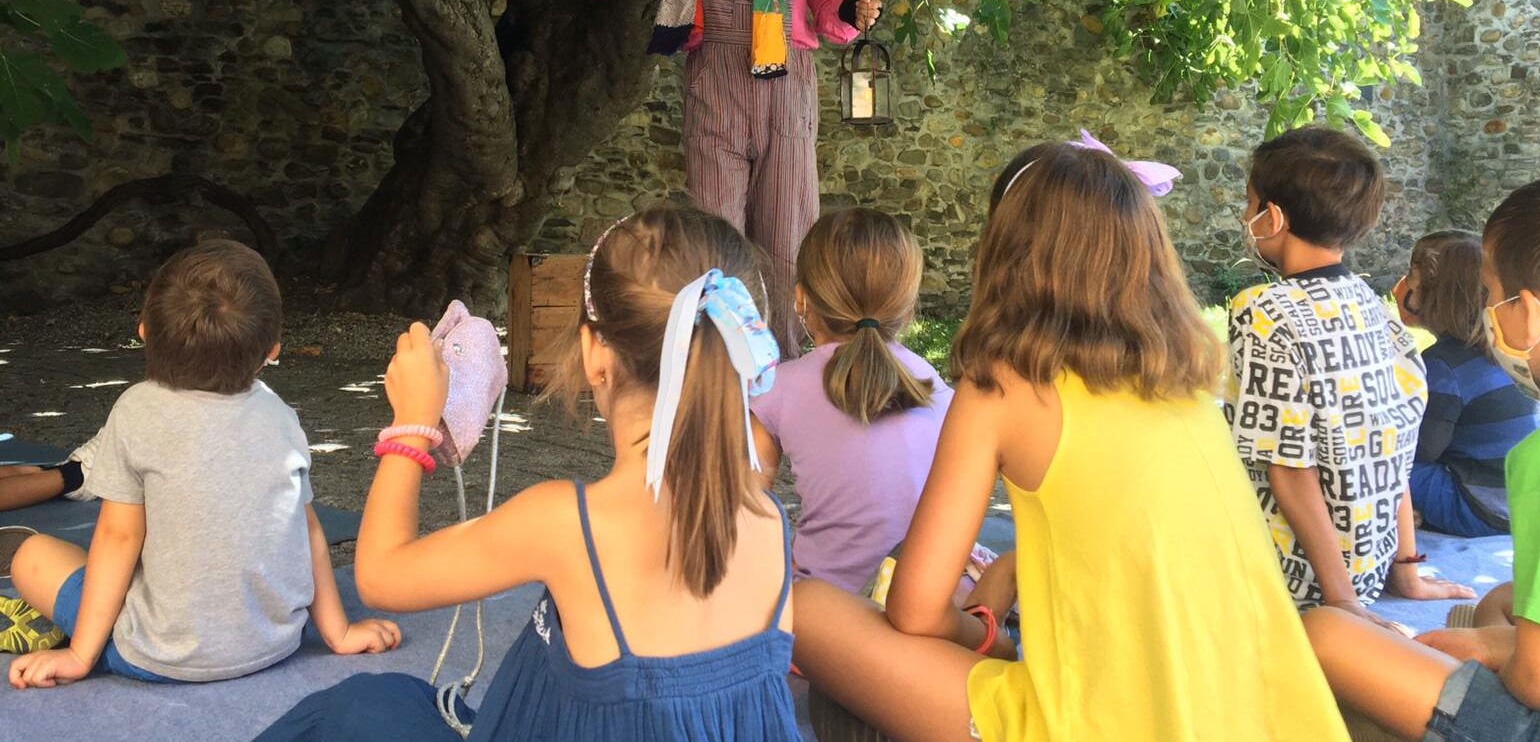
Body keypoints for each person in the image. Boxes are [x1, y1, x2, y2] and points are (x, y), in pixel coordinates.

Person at [789, 141, 1350, 742]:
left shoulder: (1002, 389)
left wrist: (986, 635)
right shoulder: (1188, 387)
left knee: (810, 608)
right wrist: (1011, 573)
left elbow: (915, 610)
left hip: (1082, 723)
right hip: (1259, 715)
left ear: (1006, 251)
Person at [252, 207, 802, 742]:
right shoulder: (770, 519)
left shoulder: (568, 522)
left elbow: (380, 574)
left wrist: (412, 426)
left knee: (359, 708)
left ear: (595, 355)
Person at [6, 240, 399, 686]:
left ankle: (87, 636)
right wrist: (340, 632)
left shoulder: (136, 410)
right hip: (275, 643)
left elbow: (119, 536)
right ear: (272, 349)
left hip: (155, 654)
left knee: (33, 556)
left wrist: (79, 656)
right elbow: (307, 528)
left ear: (144, 332)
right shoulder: (281, 416)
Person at [1304, 167, 1540, 742]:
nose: (1486, 315)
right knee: (1502, 602)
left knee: (1325, 634)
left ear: (1530, 313)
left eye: (1491, 296)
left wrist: (1491, 651)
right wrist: (1493, 637)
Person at [583, 0, 882, 357]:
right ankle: (723, 364)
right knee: (716, 236)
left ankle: (792, 366)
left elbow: (824, 0)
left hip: (786, 89)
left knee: (791, 234)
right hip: (714, 86)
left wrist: (847, 11)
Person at [1225, 126, 1473, 621]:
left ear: (1272, 217)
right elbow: (1396, 454)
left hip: (1297, 579)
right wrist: (1405, 569)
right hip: (1366, 570)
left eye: (1250, 205)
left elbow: (1290, 470)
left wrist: (1342, 607)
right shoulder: (1383, 318)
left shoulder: (1264, 312)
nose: (1245, 217)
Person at [750, 207, 952, 594]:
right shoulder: (933, 385)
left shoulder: (776, 388)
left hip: (827, 616)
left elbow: (744, 509)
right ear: (907, 307)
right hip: (926, 600)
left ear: (801, 300)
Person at [1394, 230, 1540, 537]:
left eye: (1411, 274)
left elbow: (1421, 451)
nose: (1404, 284)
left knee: (1384, 461)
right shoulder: (1507, 351)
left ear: (1435, 292)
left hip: (1479, 508)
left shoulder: (1444, 365)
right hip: (1521, 505)